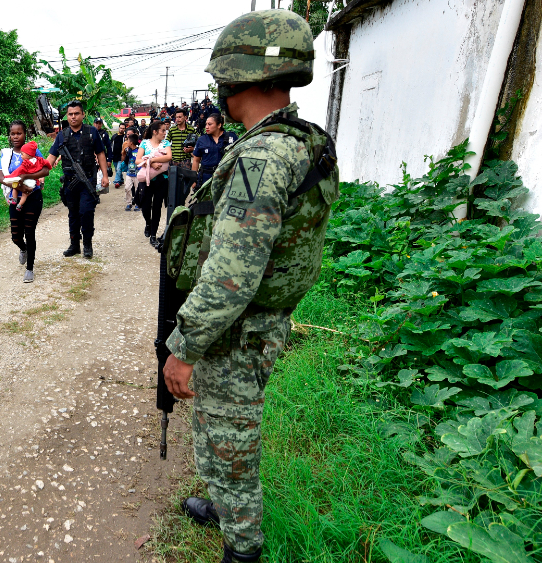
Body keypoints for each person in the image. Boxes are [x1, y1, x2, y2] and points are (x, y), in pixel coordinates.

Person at [162, 10, 339, 563]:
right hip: (254, 321)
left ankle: (243, 548)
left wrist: (184, 347)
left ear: (240, 76)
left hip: (238, 328)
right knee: (218, 423)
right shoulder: (297, 139)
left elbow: (233, 273)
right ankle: (222, 503)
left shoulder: (263, 154)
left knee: (231, 438)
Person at [46, 100, 110, 259]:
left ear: (83, 115)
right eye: (70, 114)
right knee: (73, 214)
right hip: (69, 182)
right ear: (67, 116)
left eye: (76, 114)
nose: (73, 117)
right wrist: (40, 173)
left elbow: (101, 154)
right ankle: (75, 244)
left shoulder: (91, 132)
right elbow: (51, 158)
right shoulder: (62, 135)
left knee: (86, 211)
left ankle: (87, 243)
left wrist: (105, 175)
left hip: (87, 180)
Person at [0, 122, 50, 283]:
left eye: (19, 133)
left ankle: (30, 269)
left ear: (24, 135)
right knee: (16, 236)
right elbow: (2, 178)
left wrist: (27, 178)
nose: (15, 136)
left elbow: (45, 170)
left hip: (33, 198)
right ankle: (23, 249)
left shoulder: (34, 152)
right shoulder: (6, 155)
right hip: (14, 198)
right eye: (13, 133)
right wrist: (20, 186)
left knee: (29, 232)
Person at [135, 119, 172, 244]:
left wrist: (154, 160)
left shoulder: (166, 143)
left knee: (157, 207)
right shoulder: (145, 143)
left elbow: (169, 156)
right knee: (145, 207)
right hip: (146, 180)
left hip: (162, 180)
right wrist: (151, 162)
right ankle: (148, 223)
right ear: (155, 132)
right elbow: (137, 160)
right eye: (162, 131)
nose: (164, 133)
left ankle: (153, 235)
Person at [191, 113, 238, 188]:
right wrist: (193, 179)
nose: (206, 127)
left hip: (226, 178)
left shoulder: (231, 137)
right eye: (206, 124)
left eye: (210, 124)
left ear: (219, 125)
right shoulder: (202, 140)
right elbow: (196, 160)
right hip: (206, 178)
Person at [122, 132, 141, 211]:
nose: (126, 142)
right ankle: (129, 203)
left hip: (137, 173)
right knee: (127, 188)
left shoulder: (140, 150)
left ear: (131, 143)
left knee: (138, 189)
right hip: (129, 173)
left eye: (128, 141)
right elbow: (125, 160)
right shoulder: (128, 150)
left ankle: (138, 203)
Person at [93, 117, 113, 190]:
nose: (98, 125)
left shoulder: (104, 134)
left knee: (101, 175)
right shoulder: (90, 132)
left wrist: (109, 159)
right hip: (92, 158)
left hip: (102, 157)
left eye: (99, 123)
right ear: (94, 123)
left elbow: (109, 147)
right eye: (96, 123)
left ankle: (99, 191)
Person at [111, 122, 127, 187]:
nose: (122, 129)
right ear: (119, 128)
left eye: (123, 128)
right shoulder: (114, 136)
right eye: (121, 128)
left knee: (118, 169)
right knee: (117, 169)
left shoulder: (125, 137)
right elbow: (111, 145)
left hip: (121, 156)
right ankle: (121, 179)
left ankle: (116, 182)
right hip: (114, 156)